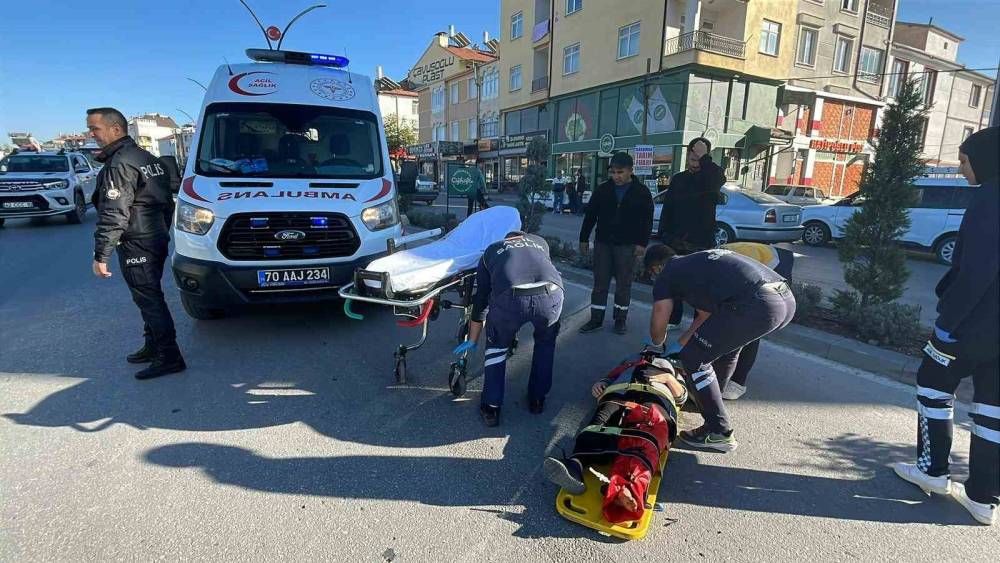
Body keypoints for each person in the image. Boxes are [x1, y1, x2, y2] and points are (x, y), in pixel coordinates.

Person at [892, 126, 999, 526]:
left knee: (932, 386)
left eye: (965, 160)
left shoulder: (990, 198)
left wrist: (948, 323)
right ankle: (984, 499)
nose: (961, 168)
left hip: (970, 325)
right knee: (993, 410)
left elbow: (976, 271)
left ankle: (933, 471)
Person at [647, 247, 795, 452]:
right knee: (727, 350)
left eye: (652, 273)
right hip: (784, 299)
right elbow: (704, 318)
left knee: (694, 359)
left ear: (656, 268)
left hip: (758, 303)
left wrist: (656, 347)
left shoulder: (668, 272)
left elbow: (660, 317)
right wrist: (679, 346)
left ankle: (719, 431)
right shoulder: (694, 264)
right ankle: (707, 400)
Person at [86, 107, 186, 380]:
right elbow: (167, 203)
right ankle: (153, 345)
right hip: (153, 237)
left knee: (149, 298)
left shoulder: (120, 164)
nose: (91, 134)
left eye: (95, 129)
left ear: (116, 129)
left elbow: (114, 212)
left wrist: (101, 254)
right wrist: (161, 232)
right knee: (147, 294)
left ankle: (169, 356)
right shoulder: (147, 158)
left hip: (137, 241)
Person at [543, 356, 685, 523]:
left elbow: (681, 397)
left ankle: (630, 488)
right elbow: (610, 377)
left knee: (646, 434)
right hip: (619, 394)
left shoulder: (671, 369)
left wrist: (669, 378)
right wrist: (600, 384)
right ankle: (575, 466)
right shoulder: (630, 361)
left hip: (654, 399)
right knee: (598, 426)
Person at [454, 231, 564, 427]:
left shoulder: (491, 251)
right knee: (545, 345)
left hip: (511, 298)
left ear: (506, 240)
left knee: (497, 348)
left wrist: (472, 339)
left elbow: (482, 300)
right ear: (524, 237)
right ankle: (537, 400)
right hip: (552, 294)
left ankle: (491, 407)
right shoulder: (540, 242)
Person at [578, 152, 654, 335]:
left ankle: (620, 319)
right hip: (603, 243)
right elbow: (590, 215)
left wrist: (642, 243)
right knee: (600, 283)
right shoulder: (603, 190)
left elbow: (647, 220)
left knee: (623, 284)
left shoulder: (641, 192)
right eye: (613, 172)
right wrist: (583, 238)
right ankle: (596, 319)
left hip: (627, 245)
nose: (616, 176)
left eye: (620, 172)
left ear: (630, 171)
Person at [657, 138, 726, 326]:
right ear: (687, 156)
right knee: (675, 281)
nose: (695, 163)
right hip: (675, 240)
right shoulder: (679, 179)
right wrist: (663, 234)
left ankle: (700, 324)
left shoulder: (710, 177)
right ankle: (674, 319)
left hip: (701, 241)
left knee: (700, 285)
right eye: (692, 158)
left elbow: (718, 179)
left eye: (699, 159)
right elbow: (668, 208)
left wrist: (704, 158)